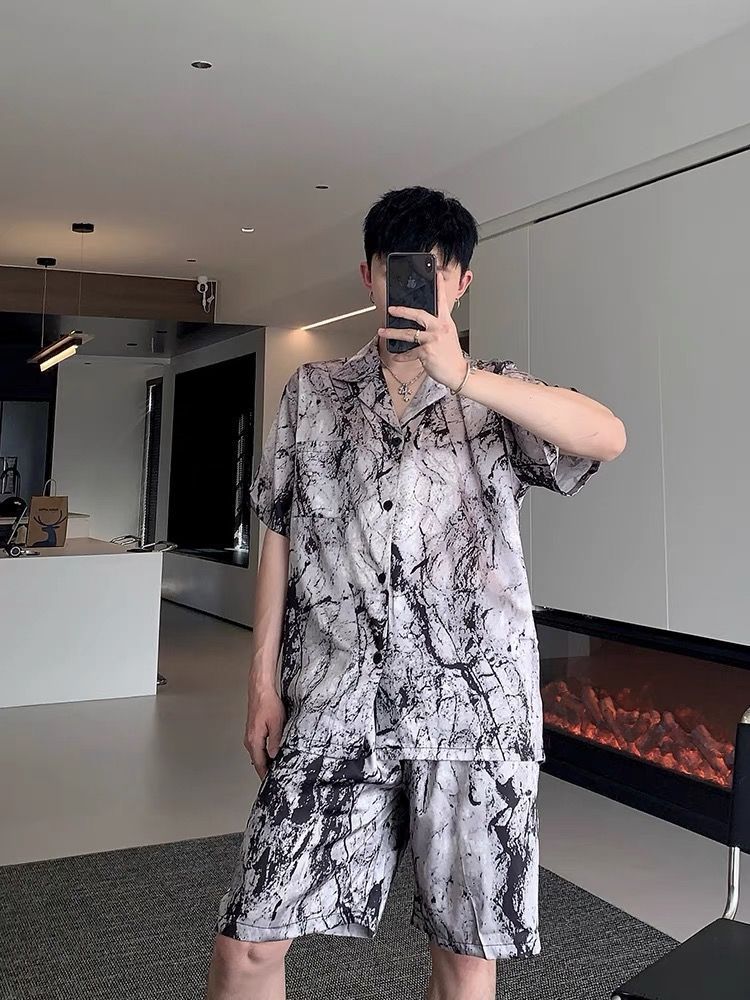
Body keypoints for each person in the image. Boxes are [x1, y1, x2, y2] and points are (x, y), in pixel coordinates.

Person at [206, 186, 626, 1000]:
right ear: (369, 275)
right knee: (247, 942)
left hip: (473, 714)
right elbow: (278, 532)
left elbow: (606, 435)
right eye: (399, 269)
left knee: (465, 960)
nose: (414, 288)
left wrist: (463, 376)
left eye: (434, 272)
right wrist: (261, 682)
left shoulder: (497, 394)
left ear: (461, 282)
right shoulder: (314, 392)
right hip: (335, 698)